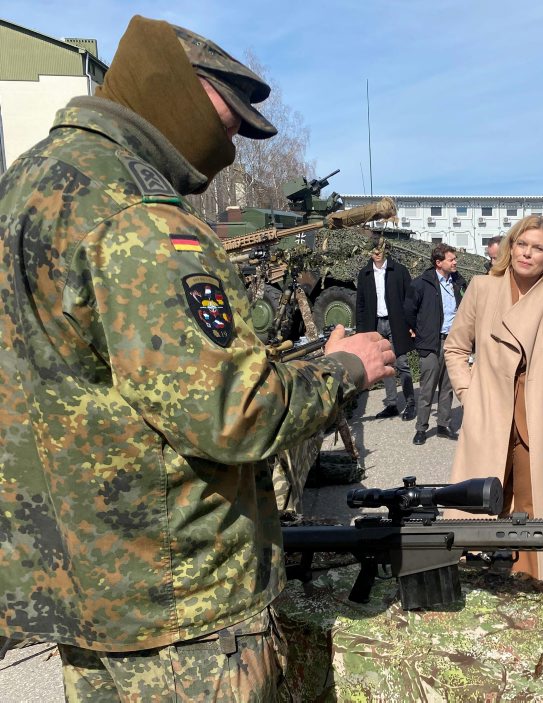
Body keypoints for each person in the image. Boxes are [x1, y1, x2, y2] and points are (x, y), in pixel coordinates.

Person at [0, 16, 395, 701]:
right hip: (180, 605)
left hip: (86, 587)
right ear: (172, 88)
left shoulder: (27, 187)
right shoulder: (137, 212)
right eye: (228, 115)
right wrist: (343, 369)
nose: (232, 143)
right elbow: (232, 410)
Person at [444, 215, 543, 581]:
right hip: (491, 409)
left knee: (534, 504)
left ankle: (533, 585)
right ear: (510, 247)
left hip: (541, 413)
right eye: (521, 244)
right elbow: (456, 348)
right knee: (483, 500)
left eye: (537, 247)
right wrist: (469, 395)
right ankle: (475, 583)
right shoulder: (483, 287)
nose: (527, 253)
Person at [406, 243, 466, 445]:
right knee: (427, 387)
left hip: (453, 341)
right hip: (431, 342)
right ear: (439, 263)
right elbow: (409, 310)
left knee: (447, 386)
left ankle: (443, 425)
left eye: (455, 258)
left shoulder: (458, 281)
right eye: (451, 259)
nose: (455, 262)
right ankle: (421, 428)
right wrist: (418, 331)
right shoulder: (421, 284)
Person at [356, 240, 416, 420]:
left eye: (380, 249)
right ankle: (392, 404)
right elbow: (360, 304)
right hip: (375, 325)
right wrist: (361, 332)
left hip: (396, 323)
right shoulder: (365, 274)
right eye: (373, 250)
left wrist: (412, 324)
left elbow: (410, 299)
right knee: (385, 365)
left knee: (402, 362)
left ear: (385, 250)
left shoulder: (399, 271)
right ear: (368, 252)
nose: (377, 253)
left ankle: (411, 402)